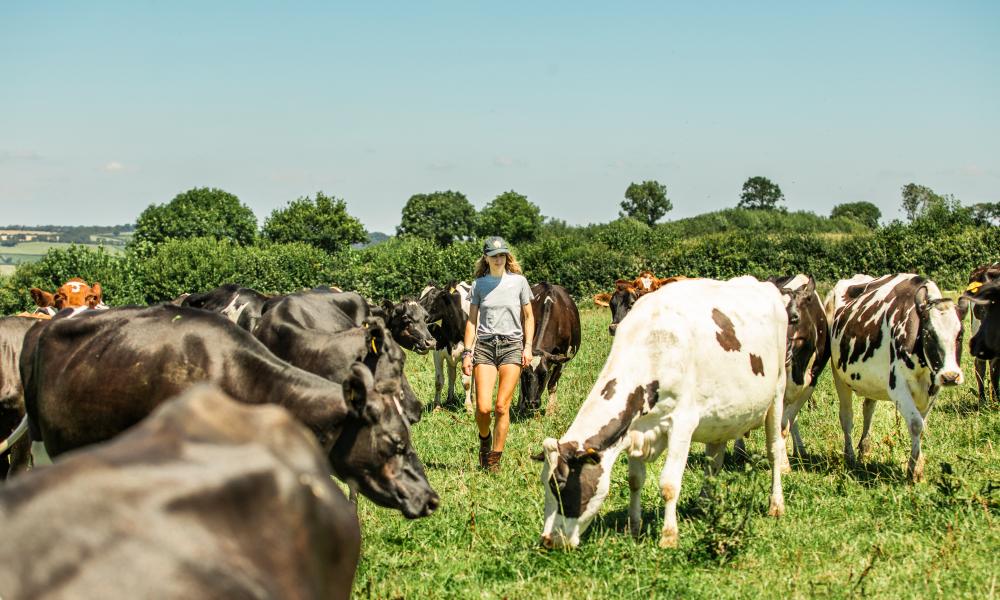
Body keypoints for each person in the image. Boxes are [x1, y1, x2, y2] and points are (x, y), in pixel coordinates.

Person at [461, 236, 534, 472]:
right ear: (486, 258)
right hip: (485, 346)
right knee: (483, 408)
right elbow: (472, 322)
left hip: (512, 345)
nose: (498, 259)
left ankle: (494, 460)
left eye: (502, 254)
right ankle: (485, 441)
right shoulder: (479, 285)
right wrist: (467, 353)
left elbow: (529, 317)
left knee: (502, 406)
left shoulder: (519, 282)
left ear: (507, 256)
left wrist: (528, 346)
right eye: (494, 255)